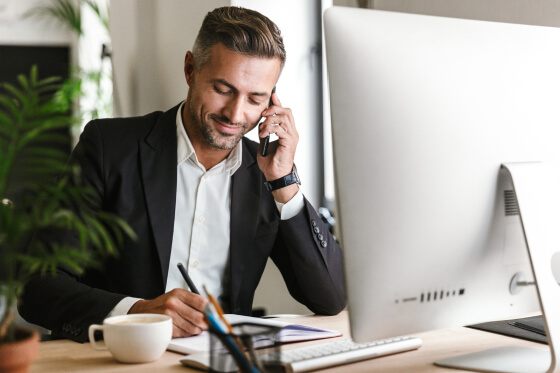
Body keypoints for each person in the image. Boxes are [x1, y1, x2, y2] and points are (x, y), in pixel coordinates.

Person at [18, 6, 345, 343]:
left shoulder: (267, 173)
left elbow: (330, 297)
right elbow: (38, 286)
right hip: (120, 359)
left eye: (255, 98)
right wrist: (138, 312)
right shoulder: (108, 148)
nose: (236, 114)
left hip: (221, 361)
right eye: (223, 89)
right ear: (190, 69)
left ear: (272, 101)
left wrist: (284, 184)